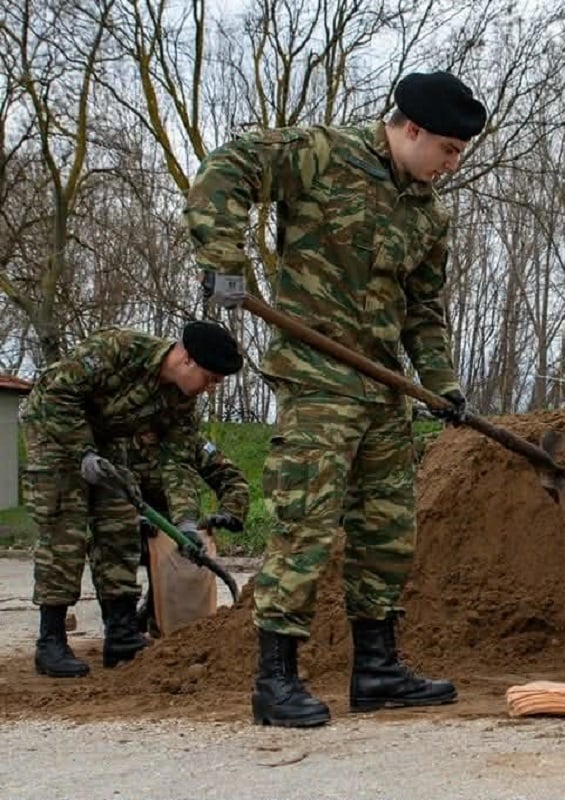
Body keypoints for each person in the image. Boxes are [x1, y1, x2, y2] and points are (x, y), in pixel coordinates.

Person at [187, 70, 487, 727]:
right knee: (306, 525)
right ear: (411, 129)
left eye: (461, 153)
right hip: (319, 379)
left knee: (388, 532)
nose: (453, 164)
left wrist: (441, 384)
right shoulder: (323, 154)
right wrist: (222, 257)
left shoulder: (429, 216)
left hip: (383, 390)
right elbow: (228, 166)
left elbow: (423, 312)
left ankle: (377, 671)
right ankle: (276, 681)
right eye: (448, 149)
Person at [22, 321, 243, 677]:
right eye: (211, 379)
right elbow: (56, 393)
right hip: (55, 431)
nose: (211, 389)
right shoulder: (119, 349)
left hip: (108, 440)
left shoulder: (180, 401)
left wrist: (185, 523)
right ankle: (51, 643)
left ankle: (122, 635)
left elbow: (177, 460)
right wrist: (82, 452)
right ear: (186, 359)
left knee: (119, 524)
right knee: (66, 529)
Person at [112, 433, 250, 635]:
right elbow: (101, 489)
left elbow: (232, 478)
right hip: (128, 526)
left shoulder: (187, 439)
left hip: (176, 530)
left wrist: (230, 513)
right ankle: (120, 626)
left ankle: (157, 611)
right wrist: (127, 516)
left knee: (185, 559)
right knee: (111, 545)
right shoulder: (118, 439)